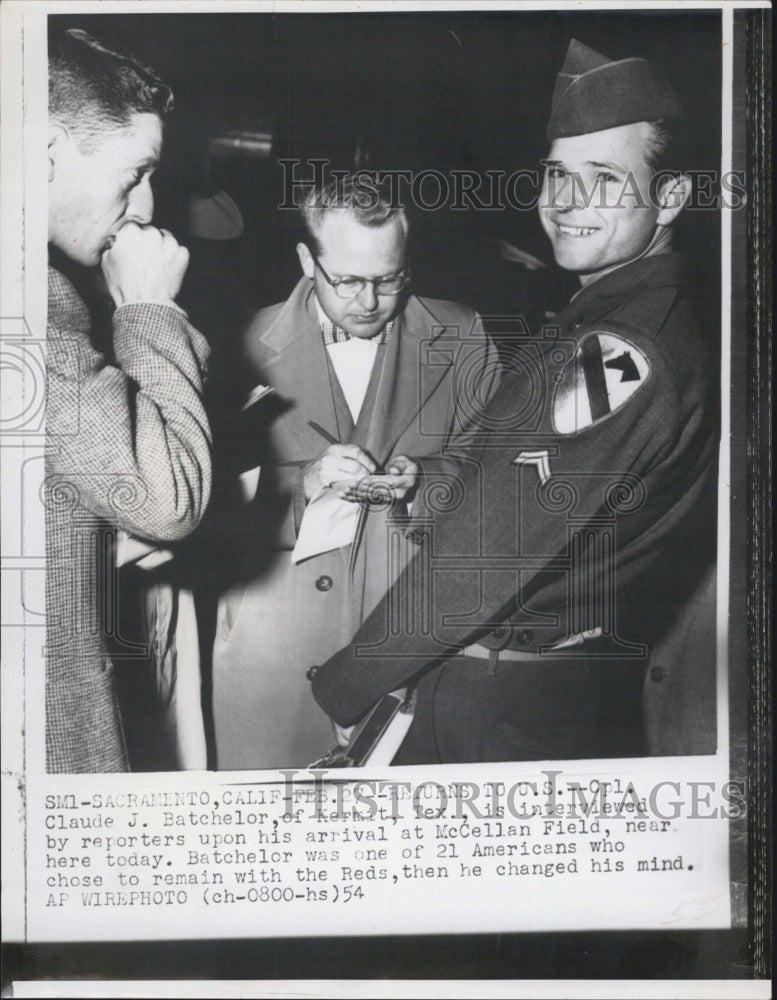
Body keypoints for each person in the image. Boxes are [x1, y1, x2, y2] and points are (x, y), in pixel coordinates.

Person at [311, 40, 719, 763]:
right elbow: (530, 487)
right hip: (506, 689)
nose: (564, 203)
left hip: (500, 704)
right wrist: (427, 481)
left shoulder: (621, 348)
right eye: (556, 174)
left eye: (603, 178)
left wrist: (348, 685)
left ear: (672, 197)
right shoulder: (600, 317)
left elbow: (485, 555)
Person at [209, 173, 501, 768]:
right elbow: (192, 502)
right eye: (345, 280)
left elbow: (494, 482)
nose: (367, 302)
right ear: (305, 259)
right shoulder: (237, 343)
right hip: (271, 652)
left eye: (388, 279)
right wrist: (303, 484)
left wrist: (424, 482)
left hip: (407, 651)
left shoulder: (465, 336)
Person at [46, 29, 212, 772]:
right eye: (135, 172)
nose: (144, 207)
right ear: (46, 149)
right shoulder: (31, 313)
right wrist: (149, 309)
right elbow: (167, 499)